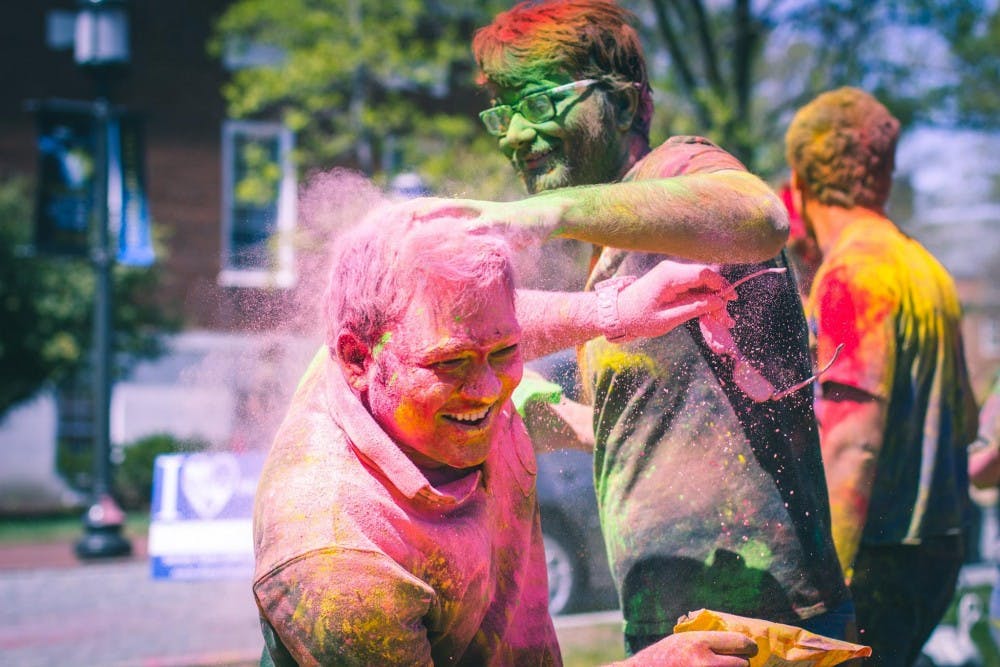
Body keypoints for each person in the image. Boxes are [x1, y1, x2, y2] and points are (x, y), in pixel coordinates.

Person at [408, 0, 850, 654]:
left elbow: (761, 217)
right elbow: (634, 427)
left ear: (626, 105)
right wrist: (525, 400)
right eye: (505, 112)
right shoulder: (605, 249)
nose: (515, 136)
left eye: (542, 104)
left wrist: (548, 212)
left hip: (768, 624)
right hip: (667, 624)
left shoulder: (679, 170)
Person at [252, 204, 760, 665]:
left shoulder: (397, 350)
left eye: (504, 353)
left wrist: (616, 312)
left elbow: (482, 320)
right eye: (451, 364)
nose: (489, 389)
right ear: (358, 358)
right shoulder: (339, 559)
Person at [785, 86, 979, 666]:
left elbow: (850, 444)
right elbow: (965, 419)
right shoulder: (925, 267)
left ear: (801, 180)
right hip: (939, 551)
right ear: (882, 175)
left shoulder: (853, 275)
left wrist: (822, 598)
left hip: (874, 559)